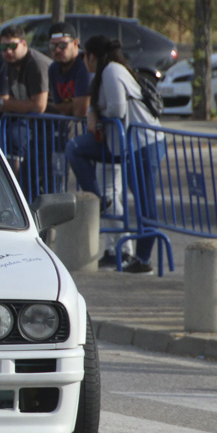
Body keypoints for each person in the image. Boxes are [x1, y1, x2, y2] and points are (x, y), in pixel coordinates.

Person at [65, 35, 166, 274]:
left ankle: (143, 259)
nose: (83, 61)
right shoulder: (104, 73)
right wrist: (93, 111)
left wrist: (96, 114)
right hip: (121, 144)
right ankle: (98, 200)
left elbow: (118, 108)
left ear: (93, 56)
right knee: (75, 148)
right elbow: (100, 102)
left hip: (143, 143)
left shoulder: (112, 70)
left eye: (85, 56)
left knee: (144, 202)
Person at [0, 25, 51, 198]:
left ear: (24, 44)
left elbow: (39, 105)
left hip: (53, 131)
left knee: (49, 183)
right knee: (26, 180)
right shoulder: (10, 65)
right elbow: (18, 101)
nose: (8, 51)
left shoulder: (35, 63)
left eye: (13, 46)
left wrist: (1, 103)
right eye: (3, 47)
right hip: (34, 131)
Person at [46, 22, 90, 118]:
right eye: (53, 46)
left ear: (75, 43)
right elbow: (59, 106)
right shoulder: (53, 69)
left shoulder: (86, 64)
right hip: (70, 123)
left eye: (62, 45)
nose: (57, 50)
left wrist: (79, 105)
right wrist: (77, 104)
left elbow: (81, 111)